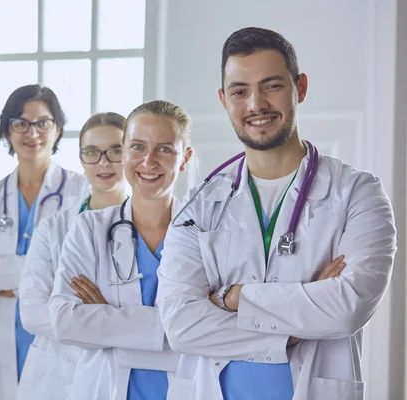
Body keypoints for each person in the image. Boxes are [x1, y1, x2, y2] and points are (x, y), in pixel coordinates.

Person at [156, 27, 397, 400]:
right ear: (223, 99)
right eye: (240, 91)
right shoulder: (196, 207)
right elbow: (181, 327)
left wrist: (230, 298)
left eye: (272, 86)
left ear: (300, 87)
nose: (256, 104)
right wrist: (299, 323)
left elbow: (348, 308)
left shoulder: (358, 193)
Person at [0, 84, 90, 400]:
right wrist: (41, 276)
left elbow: (79, 273)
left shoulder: (82, 192)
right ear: (8, 130)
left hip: (60, 339)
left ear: (57, 130)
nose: (33, 133)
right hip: (4, 338)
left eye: (43, 123)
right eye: (21, 123)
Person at [48, 100, 193, 400]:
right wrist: (174, 327)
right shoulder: (89, 229)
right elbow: (64, 321)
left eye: (165, 149)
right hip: (104, 388)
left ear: (185, 158)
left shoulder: (205, 233)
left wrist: (107, 318)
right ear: (124, 151)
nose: (149, 161)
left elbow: (214, 329)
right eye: (138, 147)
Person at [16, 112, 129, 400]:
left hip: (116, 372)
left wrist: (68, 308)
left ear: (131, 153)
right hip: (52, 375)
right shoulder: (53, 227)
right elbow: (31, 312)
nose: (103, 162)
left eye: (115, 151)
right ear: (81, 159)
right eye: (92, 152)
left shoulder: (148, 226)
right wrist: (107, 317)